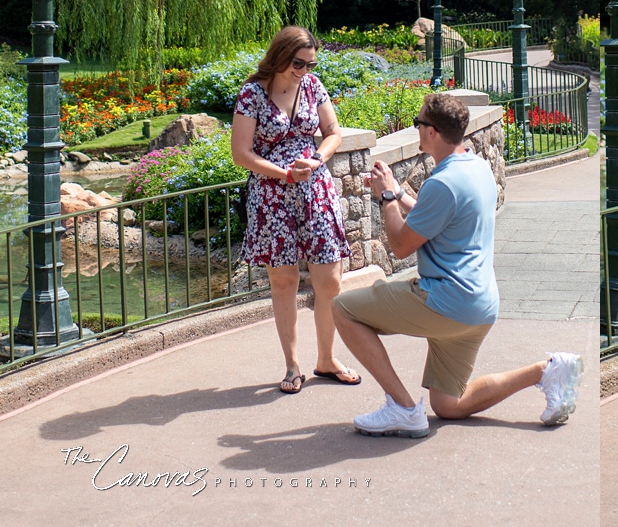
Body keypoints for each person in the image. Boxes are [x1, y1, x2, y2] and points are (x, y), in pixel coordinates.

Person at [332, 92, 584, 438]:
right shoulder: (475, 165)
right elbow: (436, 213)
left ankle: (403, 408)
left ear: (432, 132)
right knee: (448, 405)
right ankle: (547, 370)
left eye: (418, 123)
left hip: (444, 303)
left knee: (343, 309)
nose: (415, 128)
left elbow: (402, 245)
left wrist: (387, 197)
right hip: (478, 307)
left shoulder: (442, 182)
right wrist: (400, 194)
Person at [231, 25, 359, 394]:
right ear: (281, 56)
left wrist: (317, 158)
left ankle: (327, 358)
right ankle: (292, 365)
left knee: (330, 279)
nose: (304, 70)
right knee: (283, 280)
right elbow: (241, 153)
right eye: (298, 63)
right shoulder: (252, 93)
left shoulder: (313, 86)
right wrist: (284, 173)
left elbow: (333, 131)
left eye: (310, 63)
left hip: (315, 189)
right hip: (272, 194)